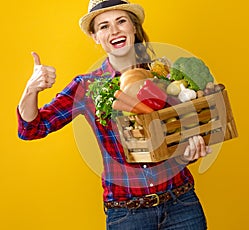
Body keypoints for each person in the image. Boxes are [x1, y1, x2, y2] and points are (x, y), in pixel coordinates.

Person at [17, 0, 210, 229]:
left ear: (134, 28)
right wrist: (31, 90)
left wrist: (190, 151)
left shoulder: (165, 76)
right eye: (104, 26)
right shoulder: (87, 86)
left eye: (121, 21)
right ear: (95, 36)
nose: (115, 30)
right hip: (127, 215)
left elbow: (177, 141)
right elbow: (31, 129)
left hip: (182, 205)